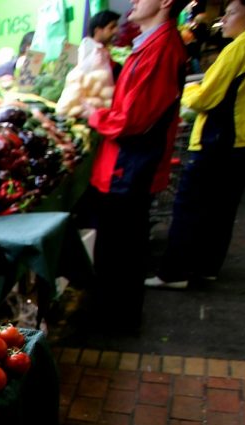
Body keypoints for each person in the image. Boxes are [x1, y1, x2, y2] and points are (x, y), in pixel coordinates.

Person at [86, 0, 188, 332]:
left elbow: (135, 119)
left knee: (120, 249)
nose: (133, 1)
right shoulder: (151, 45)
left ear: (164, 3)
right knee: (118, 246)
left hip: (129, 167)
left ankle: (115, 321)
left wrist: (94, 115)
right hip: (124, 164)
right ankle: (113, 315)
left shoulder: (161, 49)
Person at [147, 0, 245, 288]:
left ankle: (173, 273)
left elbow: (205, 98)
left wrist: (186, 93)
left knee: (190, 205)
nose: (223, 18)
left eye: (231, 12)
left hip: (221, 139)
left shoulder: (241, 48)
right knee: (224, 208)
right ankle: (207, 268)